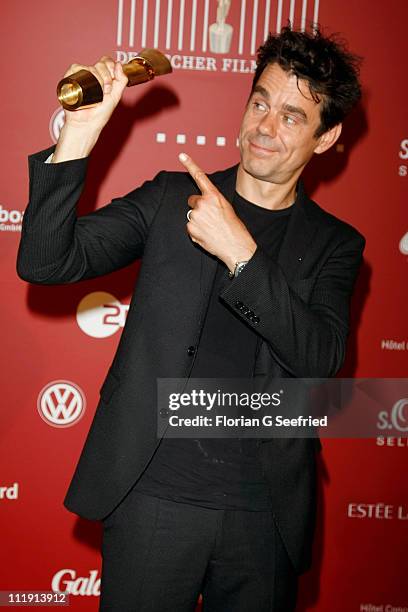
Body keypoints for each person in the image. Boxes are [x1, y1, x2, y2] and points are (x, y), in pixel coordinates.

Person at [17, 26, 365, 612]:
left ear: (325, 138)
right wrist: (77, 136)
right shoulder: (168, 200)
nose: (264, 127)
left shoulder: (336, 244)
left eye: (291, 117)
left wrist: (242, 255)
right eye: (260, 102)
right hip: (153, 496)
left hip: (265, 515)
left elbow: (320, 357)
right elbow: (46, 261)